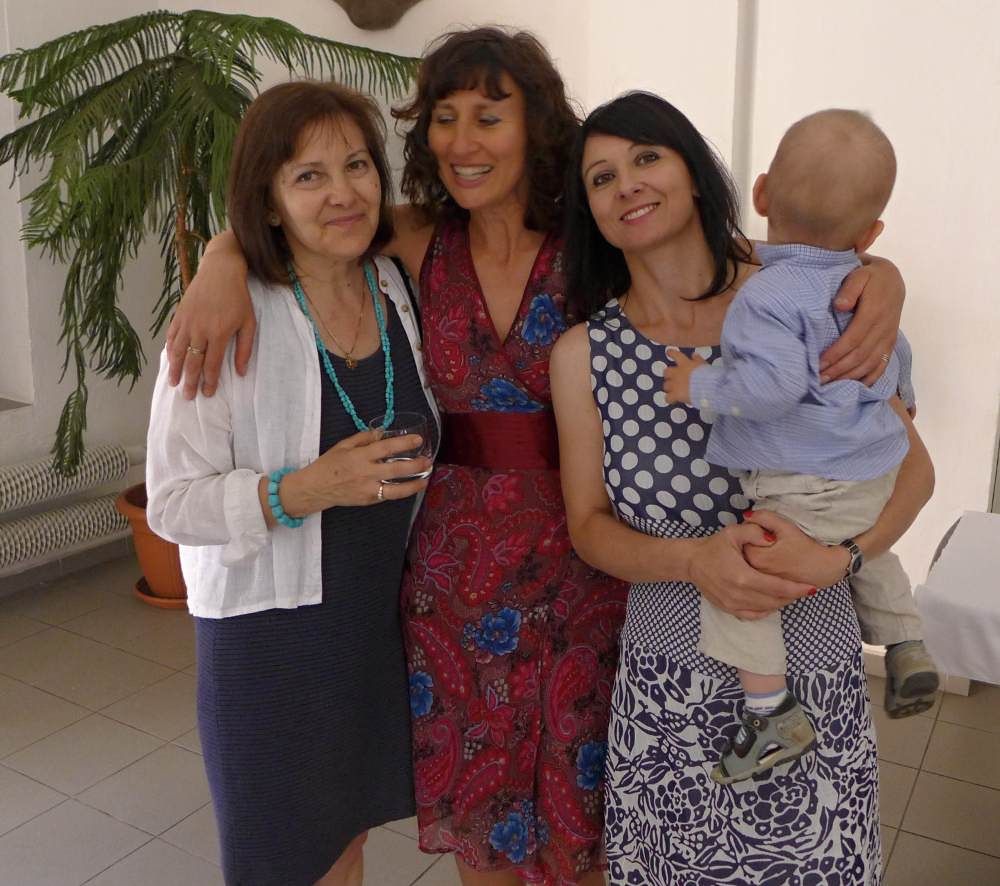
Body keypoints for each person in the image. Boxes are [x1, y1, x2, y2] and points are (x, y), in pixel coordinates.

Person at [163, 28, 905, 886]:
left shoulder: (593, 235)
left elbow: (788, 264)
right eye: (445, 119)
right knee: (485, 828)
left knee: (588, 821)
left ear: (536, 126)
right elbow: (305, 221)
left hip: (589, 565)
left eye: (489, 116)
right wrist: (219, 258)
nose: (463, 141)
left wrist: (879, 278)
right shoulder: (417, 238)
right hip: (455, 573)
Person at [551, 92, 934, 883]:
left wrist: (845, 558)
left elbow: (913, 471)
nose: (627, 184)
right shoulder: (585, 352)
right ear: (589, 210)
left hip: (811, 657)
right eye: (601, 177)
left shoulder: (811, 306)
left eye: (647, 158)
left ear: (697, 173)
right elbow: (588, 526)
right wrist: (694, 562)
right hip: (665, 676)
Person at [145, 80, 438, 886]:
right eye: (309, 176)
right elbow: (171, 502)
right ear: (269, 201)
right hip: (270, 642)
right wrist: (302, 490)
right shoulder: (227, 319)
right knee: (284, 860)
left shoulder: (398, 287)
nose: (343, 193)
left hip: (373, 630)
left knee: (346, 846)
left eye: (357, 166)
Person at [662, 108, 939, 785]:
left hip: (804, 478)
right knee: (864, 539)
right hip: (871, 467)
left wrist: (699, 384)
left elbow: (774, 386)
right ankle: (905, 639)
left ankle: (771, 713)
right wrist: (896, 402)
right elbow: (898, 358)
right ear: (871, 234)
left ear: (760, 194)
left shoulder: (767, 295)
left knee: (743, 574)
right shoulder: (861, 287)